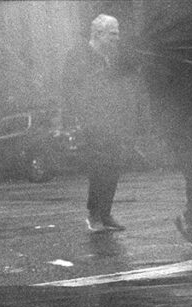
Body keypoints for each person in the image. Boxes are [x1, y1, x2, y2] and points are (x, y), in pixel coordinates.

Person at [62, 14, 133, 233]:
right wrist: (82, 118)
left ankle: (105, 213)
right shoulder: (79, 56)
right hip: (91, 122)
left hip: (111, 121)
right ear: (98, 34)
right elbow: (73, 89)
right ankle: (95, 215)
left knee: (113, 165)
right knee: (99, 166)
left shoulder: (109, 57)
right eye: (113, 34)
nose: (117, 38)